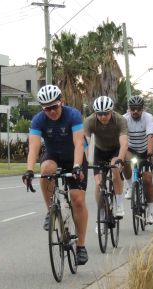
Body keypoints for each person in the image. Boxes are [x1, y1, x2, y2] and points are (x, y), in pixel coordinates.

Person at [22, 84, 89, 265]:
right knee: (45, 170)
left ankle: (81, 246)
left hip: (75, 157)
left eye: (54, 107)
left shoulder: (73, 115)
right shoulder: (38, 120)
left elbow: (78, 144)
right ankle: (51, 209)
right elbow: (34, 148)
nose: (51, 111)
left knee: (77, 200)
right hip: (53, 156)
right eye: (47, 109)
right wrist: (29, 170)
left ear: (62, 102)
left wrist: (77, 167)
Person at [83, 96, 128, 220]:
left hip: (115, 150)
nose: (103, 116)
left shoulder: (120, 120)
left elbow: (124, 143)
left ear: (111, 111)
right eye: (100, 114)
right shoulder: (90, 121)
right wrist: (84, 161)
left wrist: (120, 158)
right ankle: (102, 214)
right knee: (98, 185)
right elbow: (85, 144)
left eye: (106, 113)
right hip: (100, 151)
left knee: (114, 169)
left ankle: (119, 204)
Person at [122, 95, 153, 225]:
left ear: (143, 109)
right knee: (124, 159)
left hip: (145, 150)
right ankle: (131, 186)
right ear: (129, 109)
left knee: (147, 179)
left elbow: (150, 135)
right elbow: (123, 139)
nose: (135, 111)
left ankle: (150, 212)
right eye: (133, 109)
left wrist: (150, 153)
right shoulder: (124, 119)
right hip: (131, 149)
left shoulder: (148, 117)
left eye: (138, 109)